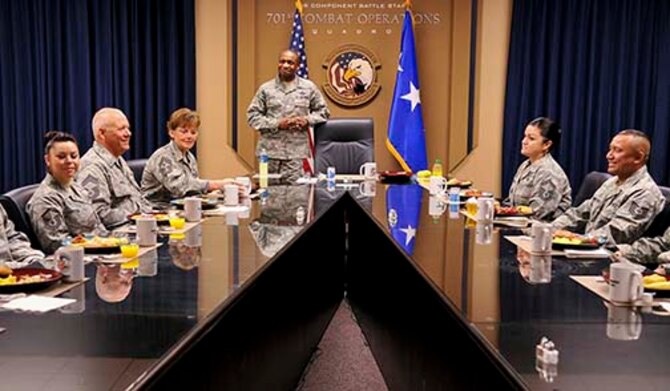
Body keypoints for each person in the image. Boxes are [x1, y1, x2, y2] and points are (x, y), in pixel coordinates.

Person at [552, 129, 664, 245]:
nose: (609, 156)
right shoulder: (611, 182)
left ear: (638, 158)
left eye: (618, 150)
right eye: (610, 149)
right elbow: (580, 213)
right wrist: (550, 230)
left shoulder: (645, 193)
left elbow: (616, 233)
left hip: (614, 257)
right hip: (588, 250)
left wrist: (575, 239)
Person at [247, 49, 330, 182]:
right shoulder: (266, 89)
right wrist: (277, 124)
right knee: (269, 197)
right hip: (269, 154)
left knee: (296, 197)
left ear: (297, 66)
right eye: (282, 61)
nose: (285, 65)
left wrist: (307, 120)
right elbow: (252, 117)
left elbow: (324, 112)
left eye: (290, 63)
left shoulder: (308, 88)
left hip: (296, 154)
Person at [142, 108, 242, 207]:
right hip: (156, 211)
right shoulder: (162, 156)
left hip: (181, 209)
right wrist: (216, 184)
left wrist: (220, 191)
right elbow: (179, 188)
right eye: (184, 131)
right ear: (171, 133)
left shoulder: (190, 157)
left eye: (193, 132)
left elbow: (193, 190)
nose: (189, 136)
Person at [27, 131, 108, 253]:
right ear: (48, 160)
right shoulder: (45, 199)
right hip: (78, 261)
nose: (69, 161)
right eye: (61, 157)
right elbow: (58, 244)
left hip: (104, 253)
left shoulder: (78, 188)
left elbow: (99, 229)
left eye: (74, 156)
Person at [77, 107, 153, 229]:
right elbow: (99, 215)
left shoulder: (117, 160)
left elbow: (139, 198)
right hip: (118, 236)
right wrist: (137, 213)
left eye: (128, 128)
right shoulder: (91, 168)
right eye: (121, 129)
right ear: (102, 133)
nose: (128, 133)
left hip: (140, 228)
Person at [504, 117, 571, 220]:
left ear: (547, 144)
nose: (524, 141)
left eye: (531, 138)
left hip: (540, 230)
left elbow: (537, 214)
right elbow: (513, 203)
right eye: (524, 136)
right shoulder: (526, 164)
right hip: (519, 225)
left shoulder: (549, 172)